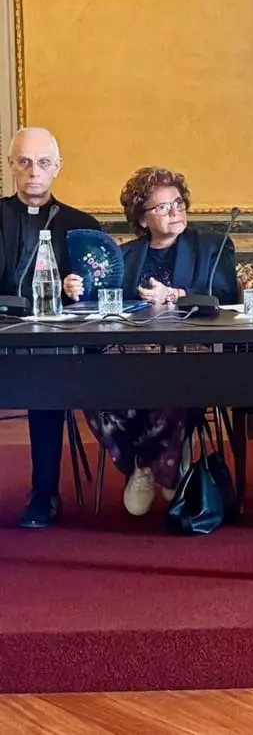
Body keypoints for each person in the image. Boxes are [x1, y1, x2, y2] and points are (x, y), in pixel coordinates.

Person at [78, 167, 238, 516]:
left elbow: (226, 295)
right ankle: (152, 463)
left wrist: (176, 295)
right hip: (133, 355)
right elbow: (105, 307)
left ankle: (156, 466)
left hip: (192, 354)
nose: (175, 211)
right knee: (88, 384)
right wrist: (77, 287)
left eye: (178, 203)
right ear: (142, 218)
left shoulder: (212, 246)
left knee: (172, 378)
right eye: (163, 207)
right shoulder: (124, 257)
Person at [0, 127, 100, 528]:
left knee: (46, 373)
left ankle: (44, 493)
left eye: (43, 163)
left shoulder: (81, 225)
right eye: (24, 162)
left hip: (53, 347)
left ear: (57, 167)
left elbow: (102, 292)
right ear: (11, 165)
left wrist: (79, 289)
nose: (33, 172)